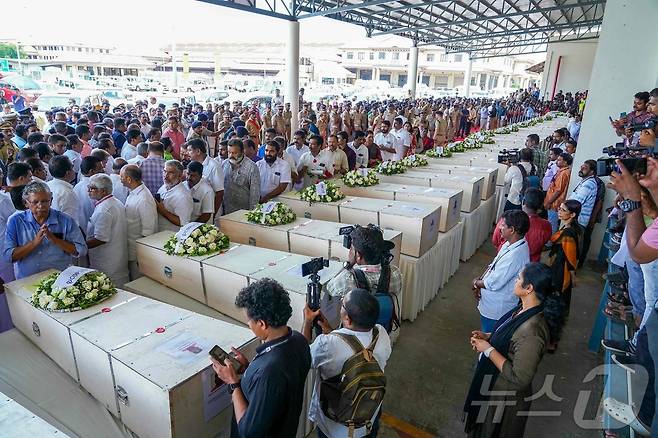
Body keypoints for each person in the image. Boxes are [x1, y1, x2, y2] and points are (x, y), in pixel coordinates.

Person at [464, 263, 563, 438]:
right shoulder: (524, 309)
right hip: (494, 387)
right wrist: (489, 336)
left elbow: (520, 379)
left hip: (504, 399)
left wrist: (488, 350)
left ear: (529, 288)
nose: (515, 282)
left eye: (518, 279)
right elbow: (511, 336)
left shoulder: (532, 332)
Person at [211, 278, 311, 438]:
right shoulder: (299, 341)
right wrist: (249, 368)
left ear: (262, 324)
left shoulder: (269, 371)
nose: (248, 325)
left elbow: (248, 432)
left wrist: (232, 383)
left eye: (249, 322)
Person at [302, 288, 391, 438]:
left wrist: (308, 322)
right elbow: (354, 345)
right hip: (369, 417)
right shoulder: (381, 334)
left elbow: (302, 357)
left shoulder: (328, 344)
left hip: (335, 427)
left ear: (348, 319)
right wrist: (330, 331)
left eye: (342, 304)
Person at [3, 181, 87, 279]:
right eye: (35, 202)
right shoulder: (15, 221)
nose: (40, 206)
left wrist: (54, 239)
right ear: (26, 203)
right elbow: (9, 256)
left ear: (51, 201)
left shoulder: (66, 221)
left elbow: (81, 250)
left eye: (44, 201)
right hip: (28, 280)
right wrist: (34, 243)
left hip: (59, 280)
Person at [472, 210, 530, 332]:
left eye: (503, 225)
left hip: (497, 309)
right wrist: (480, 282)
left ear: (512, 230)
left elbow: (493, 283)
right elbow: (493, 265)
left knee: (489, 338)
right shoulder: (510, 244)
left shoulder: (514, 256)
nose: (499, 228)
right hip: (490, 302)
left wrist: (476, 283)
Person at [326, 224, 403, 302]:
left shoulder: (345, 280)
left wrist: (348, 265)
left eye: (351, 249)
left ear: (359, 256)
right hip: (386, 314)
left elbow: (330, 290)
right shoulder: (395, 273)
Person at [86, 174, 129, 287]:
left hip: (108, 261)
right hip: (115, 257)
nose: (88, 191)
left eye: (92, 188)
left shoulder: (104, 210)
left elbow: (101, 238)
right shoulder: (114, 202)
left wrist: (81, 246)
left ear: (103, 191)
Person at [546, 199, 583, 322]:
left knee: (558, 293)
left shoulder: (568, 233)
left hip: (562, 268)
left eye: (563, 210)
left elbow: (571, 257)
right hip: (560, 264)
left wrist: (573, 275)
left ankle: (554, 319)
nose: (559, 212)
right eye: (559, 209)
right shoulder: (573, 228)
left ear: (572, 215)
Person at [492, 188, 551, 263]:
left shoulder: (507, 220)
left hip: (506, 261)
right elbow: (544, 242)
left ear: (523, 202)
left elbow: (495, 241)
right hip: (530, 265)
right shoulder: (547, 225)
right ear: (541, 206)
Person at [120, 164, 157, 281]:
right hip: (131, 248)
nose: (120, 180)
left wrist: (142, 257)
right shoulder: (134, 192)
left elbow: (148, 230)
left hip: (138, 253)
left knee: (138, 281)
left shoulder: (144, 198)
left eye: (121, 177)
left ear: (129, 179)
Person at [568, 159, 604, 265]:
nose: (581, 168)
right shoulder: (585, 182)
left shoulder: (589, 184)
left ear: (592, 172)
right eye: (582, 166)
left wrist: (565, 206)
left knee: (573, 248)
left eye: (585, 168)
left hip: (578, 220)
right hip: (576, 219)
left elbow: (576, 202)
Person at [187, 139, 224, 220]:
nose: (187, 153)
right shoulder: (192, 164)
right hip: (196, 208)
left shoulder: (214, 166)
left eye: (190, 150)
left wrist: (212, 214)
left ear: (198, 151)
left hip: (210, 210)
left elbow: (220, 193)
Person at [222, 138, 261, 215]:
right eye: (229, 152)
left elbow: (255, 193)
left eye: (234, 153)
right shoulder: (224, 164)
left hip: (243, 211)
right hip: (226, 210)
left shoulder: (252, 167)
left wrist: (252, 212)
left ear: (242, 152)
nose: (231, 155)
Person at [156, 160, 193, 232]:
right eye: (164, 171)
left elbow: (182, 222)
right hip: (159, 232)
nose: (165, 176)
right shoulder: (164, 186)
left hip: (172, 236)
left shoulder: (183, 196)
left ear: (179, 175)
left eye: (170, 173)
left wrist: (163, 211)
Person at [47, 155, 80, 227]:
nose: (74, 171)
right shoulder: (67, 193)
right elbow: (71, 222)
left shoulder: (46, 186)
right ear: (67, 173)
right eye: (72, 168)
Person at [544, 152, 573, 233]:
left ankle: (550, 244)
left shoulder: (564, 173)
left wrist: (549, 202)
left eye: (559, 160)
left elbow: (558, 190)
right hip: (553, 202)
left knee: (552, 224)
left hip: (554, 204)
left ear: (565, 162)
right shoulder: (561, 171)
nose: (557, 161)